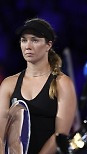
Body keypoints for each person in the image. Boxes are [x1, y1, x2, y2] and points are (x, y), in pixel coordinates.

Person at [0, 18, 77, 154]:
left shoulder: (62, 83)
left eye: (34, 40)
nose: (28, 46)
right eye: (24, 40)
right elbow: (1, 134)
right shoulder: (9, 84)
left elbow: (60, 134)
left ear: (48, 45)